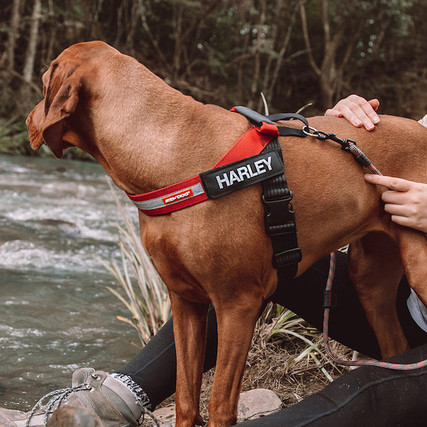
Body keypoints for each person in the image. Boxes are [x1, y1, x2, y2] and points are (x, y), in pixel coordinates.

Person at [1, 95, 427, 427]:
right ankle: (120, 399)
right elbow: (403, 145)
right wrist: (348, 125)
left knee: (376, 390)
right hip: (400, 307)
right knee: (236, 264)